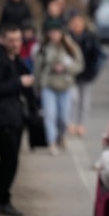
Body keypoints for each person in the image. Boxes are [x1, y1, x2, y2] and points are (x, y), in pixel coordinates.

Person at [0, 24, 37, 216]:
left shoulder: (18, 61)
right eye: (11, 40)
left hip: (15, 117)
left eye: (18, 40)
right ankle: (1, 201)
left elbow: (28, 84)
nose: (15, 44)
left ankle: (3, 200)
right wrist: (18, 83)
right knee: (9, 159)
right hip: (0, 119)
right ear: (3, 40)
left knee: (11, 161)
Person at [34, 20, 84, 155]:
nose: (54, 35)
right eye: (51, 33)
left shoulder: (70, 48)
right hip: (48, 85)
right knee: (50, 115)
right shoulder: (44, 48)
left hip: (65, 85)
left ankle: (63, 135)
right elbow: (38, 69)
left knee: (63, 116)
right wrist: (36, 86)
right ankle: (52, 142)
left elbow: (79, 65)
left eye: (56, 33)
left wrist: (65, 67)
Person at [67, 11, 105, 137]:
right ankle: (71, 122)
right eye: (74, 23)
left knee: (84, 101)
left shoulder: (90, 37)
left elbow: (99, 56)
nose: (76, 26)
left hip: (87, 74)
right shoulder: (67, 39)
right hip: (72, 75)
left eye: (79, 23)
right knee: (73, 99)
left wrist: (94, 71)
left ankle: (81, 124)